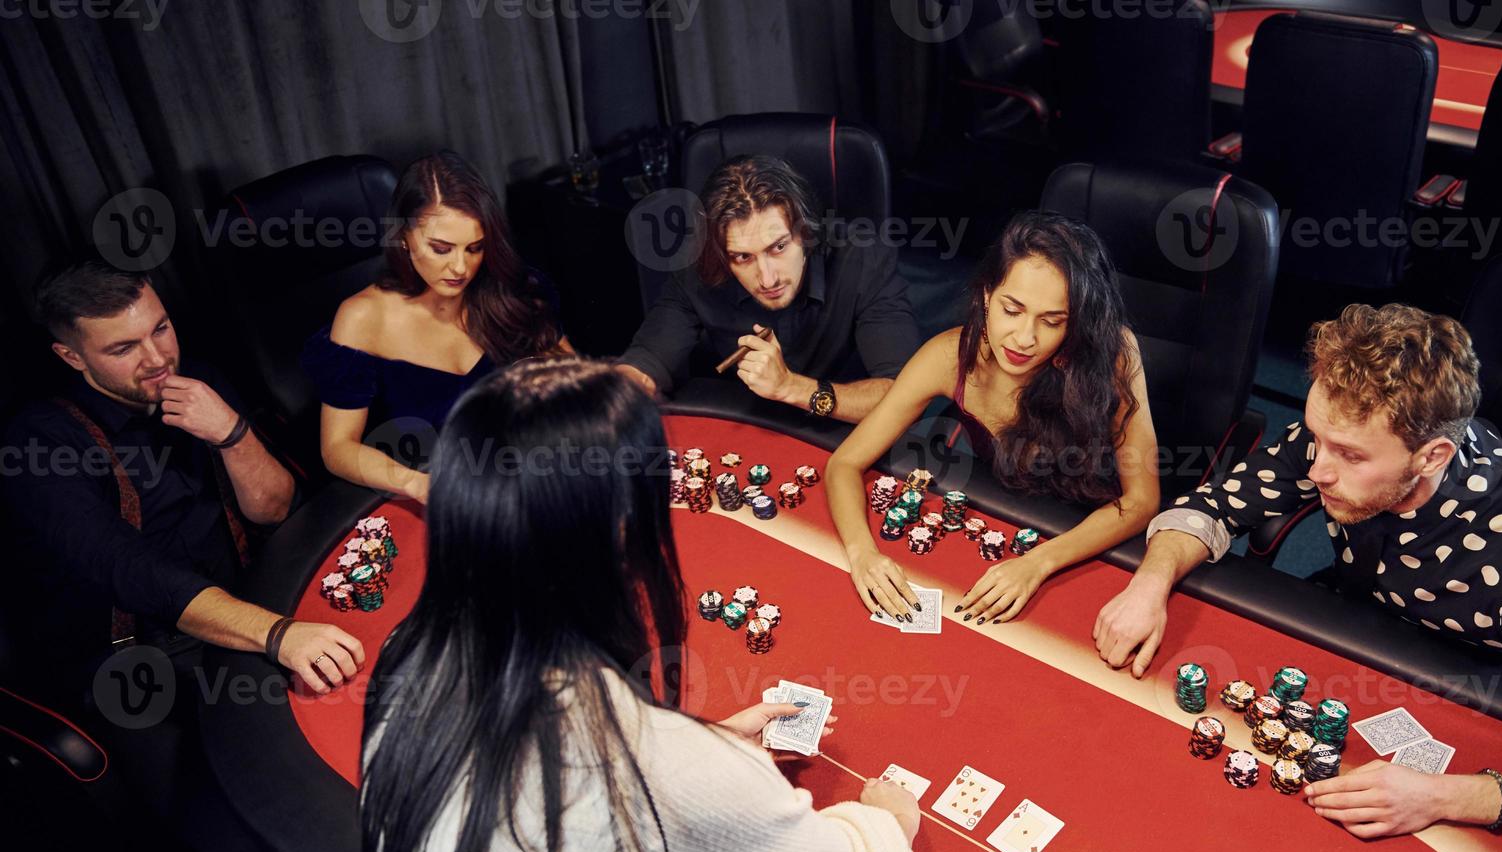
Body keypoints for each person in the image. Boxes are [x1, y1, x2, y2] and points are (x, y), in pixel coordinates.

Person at [360, 359, 919, 852]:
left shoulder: (405, 663)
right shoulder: (659, 772)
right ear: (623, 533)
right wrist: (888, 824)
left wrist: (703, 752)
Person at [1092, 303, 1502, 844]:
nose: (1317, 468)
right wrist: (1149, 583)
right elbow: (1209, 507)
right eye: (1316, 436)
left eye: (1349, 456)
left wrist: (1442, 797)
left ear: (1431, 456)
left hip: (1475, 684)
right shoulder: (1336, 436)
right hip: (1354, 622)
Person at [3, 258, 362, 695]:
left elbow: (275, 510)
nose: (158, 359)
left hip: (255, 602)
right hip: (145, 657)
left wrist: (233, 434)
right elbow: (128, 569)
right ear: (71, 356)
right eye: (123, 349)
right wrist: (276, 633)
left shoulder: (201, 378)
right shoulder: (38, 443)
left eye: (161, 328)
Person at [825, 211, 1159, 624]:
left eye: (1052, 321)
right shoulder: (947, 358)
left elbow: (1142, 500)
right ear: (987, 295)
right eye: (1012, 309)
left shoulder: (1114, 355)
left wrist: (1038, 563)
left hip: (1096, 538)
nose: (1024, 338)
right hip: (1004, 513)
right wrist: (862, 554)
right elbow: (844, 462)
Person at [303, 150, 570, 503]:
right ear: (404, 237)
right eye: (441, 248)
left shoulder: (510, 288)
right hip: (431, 491)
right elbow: (337, 449)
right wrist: (414, 483)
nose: (460, 267)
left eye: (474, 248)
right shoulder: (361, 318)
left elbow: (573, 378)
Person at [616, 155, 920, 422]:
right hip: (747, 424)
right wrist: (623, 387)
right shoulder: (700, 266)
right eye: (743, 257)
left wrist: (790, 387)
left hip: (844, 431)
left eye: (779, 247)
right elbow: (647, 361)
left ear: (806, 232)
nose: (767, 279)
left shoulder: (864, 258)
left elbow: (904, 396)